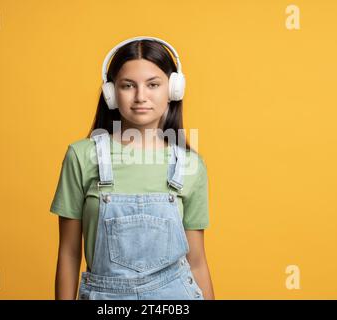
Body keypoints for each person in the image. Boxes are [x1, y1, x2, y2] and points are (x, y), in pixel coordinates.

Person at [50, 36, 215, 300]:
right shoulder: (82, 156)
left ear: (173, 90)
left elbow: (196, 261)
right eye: (128, 85)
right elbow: (69, 253)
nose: (141, 96)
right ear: (111, 93)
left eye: (153, 85)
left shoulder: (190, 165)